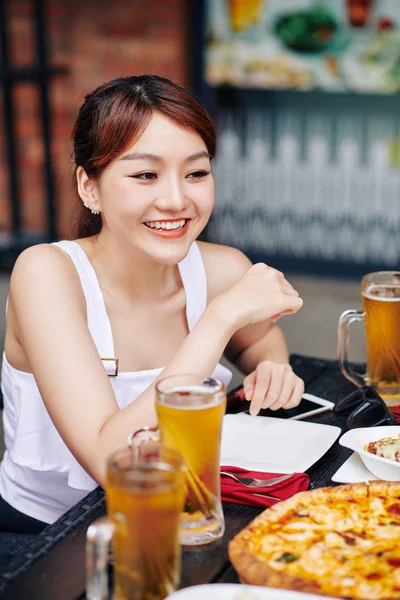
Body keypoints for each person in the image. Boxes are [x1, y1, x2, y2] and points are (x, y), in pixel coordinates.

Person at [0, 75, 304, 538]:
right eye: (145, 174)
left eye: (196, 173)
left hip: (185, 516)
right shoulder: (46, 273)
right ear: (90, 187)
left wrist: (273, 367)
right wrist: (220, 319)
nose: (177, 199)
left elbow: (261, 341)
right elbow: (111, 461)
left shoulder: (221, 269)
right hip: (45, 535)